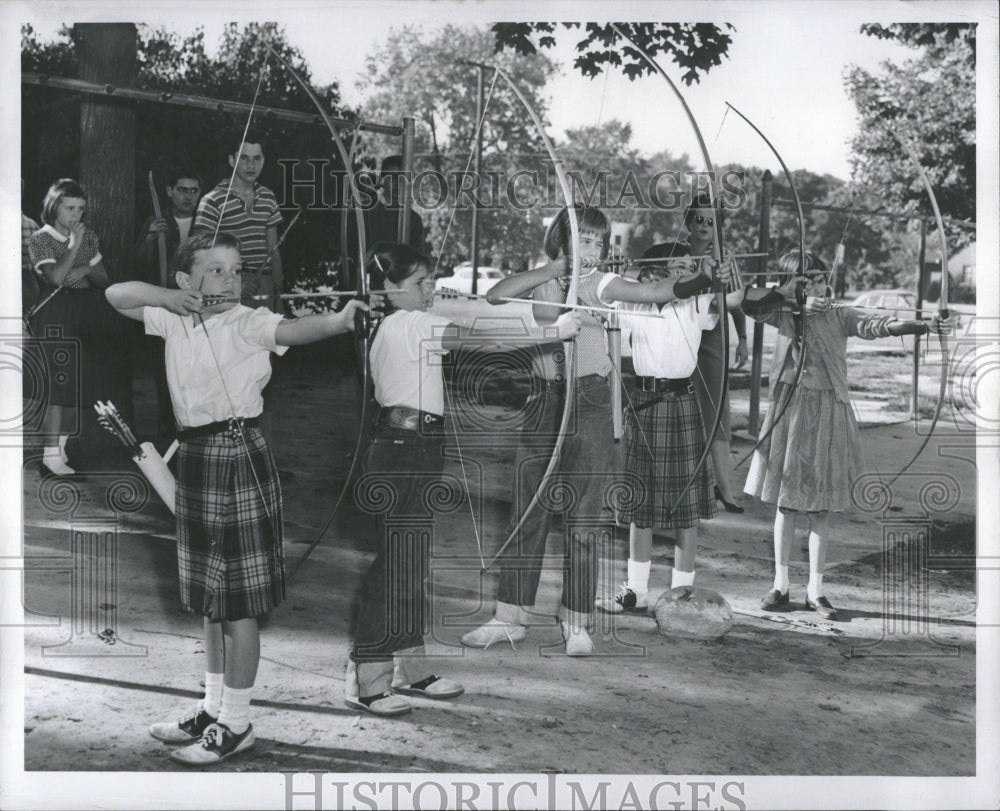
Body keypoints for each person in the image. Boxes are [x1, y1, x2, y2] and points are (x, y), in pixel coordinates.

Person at [105, 232, 371, 764]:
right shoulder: (174, 315)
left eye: (237, 269)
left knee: (238, 603)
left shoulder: (249, 321)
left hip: (237, 456)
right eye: (216, 270)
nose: (231, 279)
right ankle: (212, 707)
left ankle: (238, 721)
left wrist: (341, 321)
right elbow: (116, 294)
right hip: (198, 458)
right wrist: (165, 297)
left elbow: (294, 327)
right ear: (186, 281)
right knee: (209, 598)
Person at [349, 242, 580, 716]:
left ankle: (410, 668)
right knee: (394, 563)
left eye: (430, 279)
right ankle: (368, 677)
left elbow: (474, 319)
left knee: (412, 561)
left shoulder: (408, 320)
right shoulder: (405, 323)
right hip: (400, 449)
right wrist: (551, 330)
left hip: (419, 445)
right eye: (419, 283)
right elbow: (483, 338)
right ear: (391, 290)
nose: (430, 288)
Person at [743, 251, 954, 619]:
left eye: (822, 278)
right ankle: (780, 584)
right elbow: (750, 304)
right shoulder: (784, 313)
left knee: (820, 507)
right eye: (807, 281)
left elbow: (879, 324)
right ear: (793, 285)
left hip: (827, 411)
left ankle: (816, 590)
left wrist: (926, 326)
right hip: (790, 411)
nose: (819, 286)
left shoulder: (839, 314)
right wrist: (792, 295)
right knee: (787, 504)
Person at [460, 205, 616, 656]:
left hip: (589, 398)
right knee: (528, 509)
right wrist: (553, 269)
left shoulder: (600, 283)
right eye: (582, 240)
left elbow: (651, 290)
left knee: (585, 516)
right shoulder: (542, 281)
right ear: (560, 241)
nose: (592, 250)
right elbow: (494, 295)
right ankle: (510, 616)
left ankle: (577, 621)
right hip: (544, 398)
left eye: (598, 243)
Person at [594, 245, 744, 613]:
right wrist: (604, 271)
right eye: (676, 267)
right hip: (645, 405)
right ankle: (636, 591)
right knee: (639, 507)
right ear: (652, 273)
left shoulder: (697, 303)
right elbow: (602, 310)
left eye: (689, 267)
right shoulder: (633, 305)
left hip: (682, 405)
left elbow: (733, 297)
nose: (684, 273)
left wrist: (725, 270)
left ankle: (681, 595)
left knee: (685, 510)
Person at [28, 179, 109, 476]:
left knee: (77, 386)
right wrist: (74, 249)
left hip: (84, 312)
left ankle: (59, 453)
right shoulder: (41, 238)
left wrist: (85, 269)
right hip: (55, 313)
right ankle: (48, 455)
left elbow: (102, 277)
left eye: (81, 209)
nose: (77, 215)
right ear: (54, 207)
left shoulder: (89, 237)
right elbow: (57, 278)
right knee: (58, 387)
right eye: (70, 208)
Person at [682, 195, 750, 513]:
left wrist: (743, 339)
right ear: (688, 221)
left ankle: (724, 488)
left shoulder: (724, 257)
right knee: (683, 411)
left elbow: (736, 301)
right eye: (699, 219)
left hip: (711, 339)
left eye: (711, 221)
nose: (704, 226)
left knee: (716, 412)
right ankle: (691, 484)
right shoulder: (678, 254)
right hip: (679, 338)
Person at [135, 167, 202, 442]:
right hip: (166, 311)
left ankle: (195, 436)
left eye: (194, 190)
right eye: (182, 190)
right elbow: (138, 263)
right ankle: (167, 440)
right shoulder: (156, 220)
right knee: (166, 379)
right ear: (169, 191)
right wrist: (150, 237)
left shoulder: (206, 221)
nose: (188, 196)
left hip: (198, 311)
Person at [195, 129, 283, 309]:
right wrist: (236, 285)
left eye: (256, 158)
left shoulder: (268, 197)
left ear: (263, 161)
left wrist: (278, 292)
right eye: (244, 158)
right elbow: (199, 255)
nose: (251, 165)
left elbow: (273, 251)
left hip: (264, 284)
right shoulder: (213, 200)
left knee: (266, 336)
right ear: (231, 160)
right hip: (228, 283)